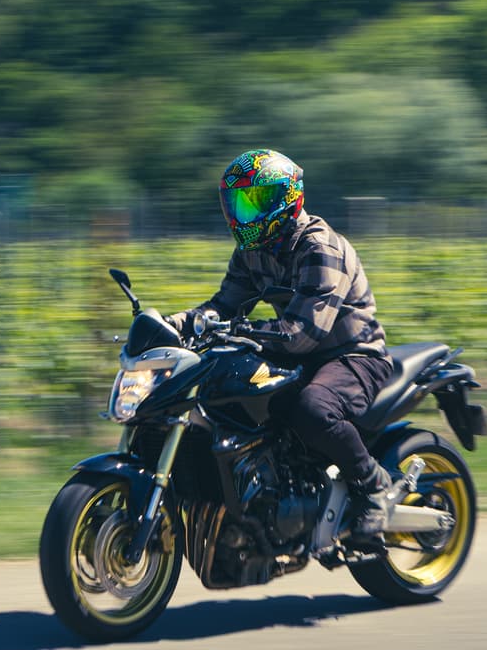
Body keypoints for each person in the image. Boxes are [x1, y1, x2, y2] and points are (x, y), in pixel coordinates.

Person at [167, 149, 394, 541]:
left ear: (286, 198)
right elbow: (223, 306)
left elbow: (304, 332)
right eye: (238, 203)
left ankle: (374, 486)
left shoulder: (320, 247)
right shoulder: (251, 253)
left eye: (254, 202)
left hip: (352, 354)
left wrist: (243, 330)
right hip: (292, 350)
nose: (243, 214)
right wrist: (172, 324)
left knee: (313, 409)